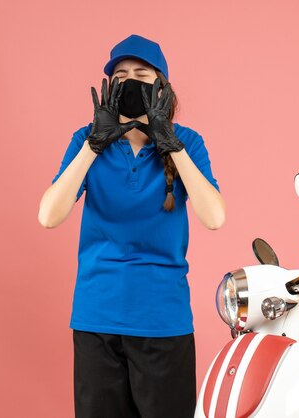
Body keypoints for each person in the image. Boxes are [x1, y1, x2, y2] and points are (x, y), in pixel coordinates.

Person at [38, 33, 226, 418]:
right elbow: (48, 215)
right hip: (97, 318)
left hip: (163, 320)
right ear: (110, 88)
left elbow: (215, 217)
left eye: (141, 72)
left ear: (161, 87)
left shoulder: (188, 142)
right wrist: (93, 145)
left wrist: (169, 141)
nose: (130, 80)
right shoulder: (86, 141)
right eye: (120, 75)